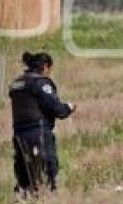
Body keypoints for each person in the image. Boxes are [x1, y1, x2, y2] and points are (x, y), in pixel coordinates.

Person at [9, 51, 76, 194]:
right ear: (45, 67)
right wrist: (68, 108)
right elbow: (56, 108)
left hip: (19, 135)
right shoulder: (40, 83)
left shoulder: (17, 83)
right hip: (38, 133)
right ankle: (48, 201)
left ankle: (22, 202)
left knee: (25, 172)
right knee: (47, 171)